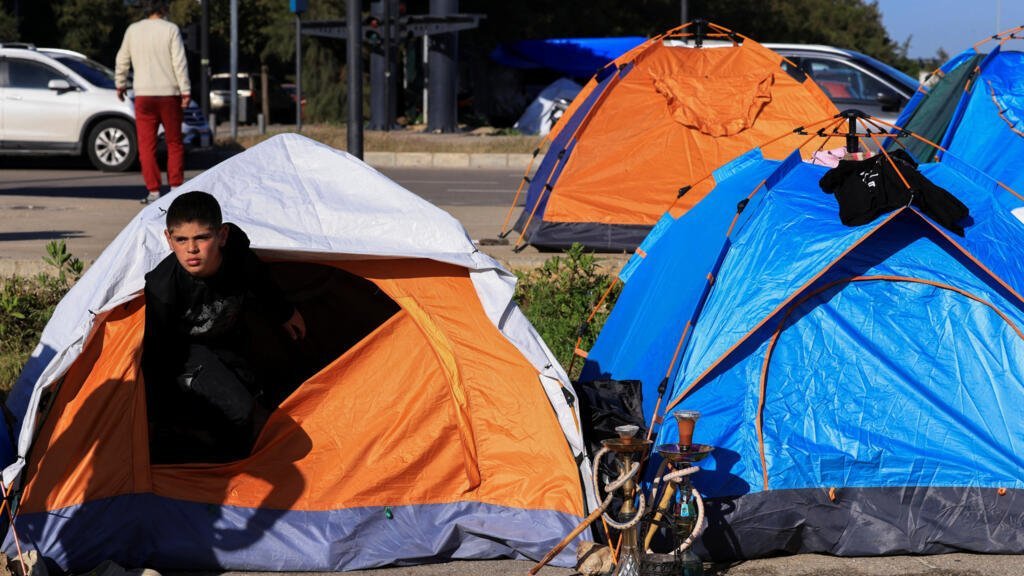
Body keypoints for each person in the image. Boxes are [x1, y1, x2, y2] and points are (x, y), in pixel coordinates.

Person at [142, 191, 306, 463]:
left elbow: (260, 279)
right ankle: (196, 445)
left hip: (228, 341)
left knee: (263, 396)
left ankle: (218, 438)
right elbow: (157, 352)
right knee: (241, 411)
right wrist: (152, 417)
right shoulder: (163, 287)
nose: (191, 249)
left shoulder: (238, 255)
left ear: (222, 236)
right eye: (181, 240)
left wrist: (285, 312)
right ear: (169, 240)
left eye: (201, 238)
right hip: (185, 355)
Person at [114, 1, 191, 205]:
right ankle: (175, 187)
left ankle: (153, 191)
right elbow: (179, 62)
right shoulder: (171, 30)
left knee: (146, 145)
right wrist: (185, 90)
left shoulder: (133, 30)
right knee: (174, 142)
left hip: (144, 94)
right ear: (163, 9)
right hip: (169, 93)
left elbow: (122, 59)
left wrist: (120, 84)